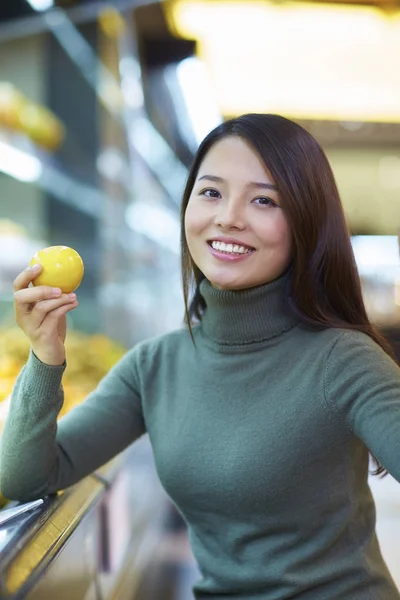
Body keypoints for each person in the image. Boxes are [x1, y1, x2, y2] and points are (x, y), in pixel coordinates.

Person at [1, 113, 400, 600]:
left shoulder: (343, 360)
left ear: (305, 221)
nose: (229, 216)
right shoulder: (155, 366)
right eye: (211, 192)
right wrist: (45, 356)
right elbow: (27, 477)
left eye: (263, 200)